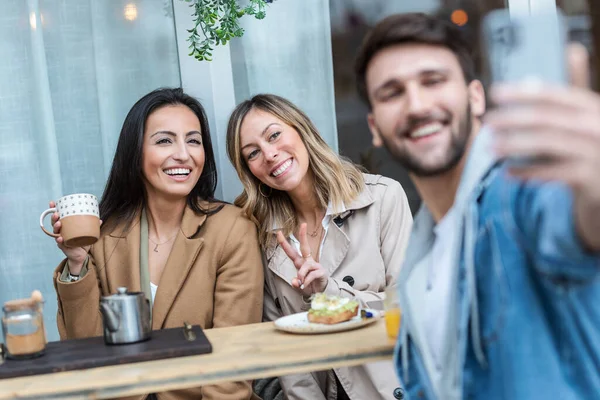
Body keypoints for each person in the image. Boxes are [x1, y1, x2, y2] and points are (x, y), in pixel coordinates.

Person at [355, 12, 600, 400]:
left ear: (475, 97)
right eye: (392, 92)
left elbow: (575, 219)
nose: (416, 105)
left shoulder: (521, 190)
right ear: (374, 128)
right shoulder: (420, 263)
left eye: (433, 81)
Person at [50, 88, 264, 400]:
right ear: (136, 154)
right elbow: (87, 353)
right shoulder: (105, 232)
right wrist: (77, 262)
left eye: (193, 140)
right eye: (165, 140)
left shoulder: (232, 229)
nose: (183, 154)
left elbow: (233, 361)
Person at [225, 93, 412, 400]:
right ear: (249, 171)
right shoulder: (263, 234)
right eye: (252, 153)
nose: (269, 154)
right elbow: (284, 347)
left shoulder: (383, 198)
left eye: (274, 135)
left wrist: (330, 290)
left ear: (302, 130)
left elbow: (404, 310)